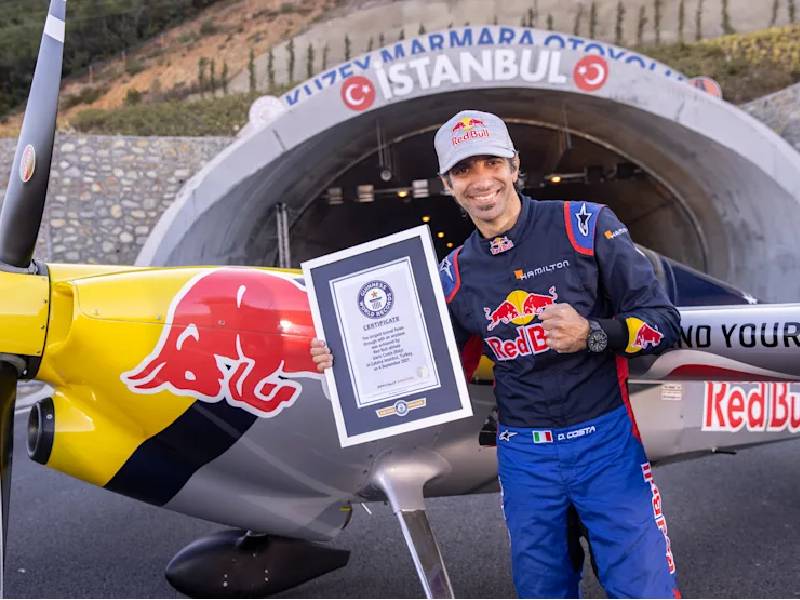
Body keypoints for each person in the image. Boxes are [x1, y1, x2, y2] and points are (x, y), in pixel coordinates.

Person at [311, 109, 681, 599]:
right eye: (464, 170)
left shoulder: (584, 224)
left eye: (491, 162)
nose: (481, 180)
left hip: (605, 443)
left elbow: (664, 323)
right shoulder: (453, 273)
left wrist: (593, 333)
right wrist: (344, 356)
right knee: (541, 591)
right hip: (525, 456)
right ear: (448, 183)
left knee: (645, 590)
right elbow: (429, 364)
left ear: (514, 165)